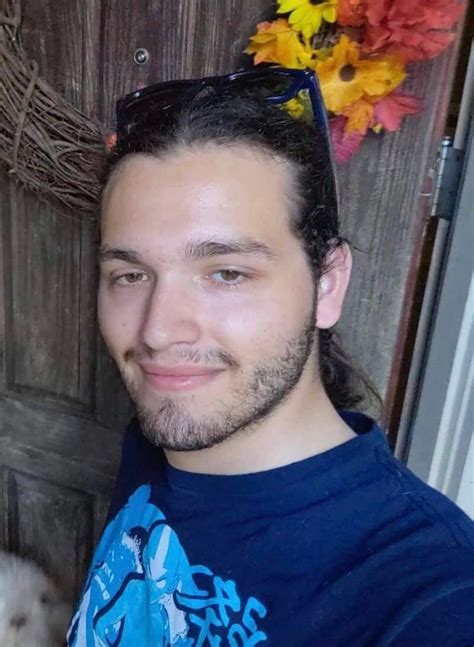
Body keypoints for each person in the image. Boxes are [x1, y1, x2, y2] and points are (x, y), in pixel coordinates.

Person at [67, 69, 474, 646]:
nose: (157, 332)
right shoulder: (165, 434)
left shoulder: (434, 599)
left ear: (327, 284)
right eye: (130, 275)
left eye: (227, 273)